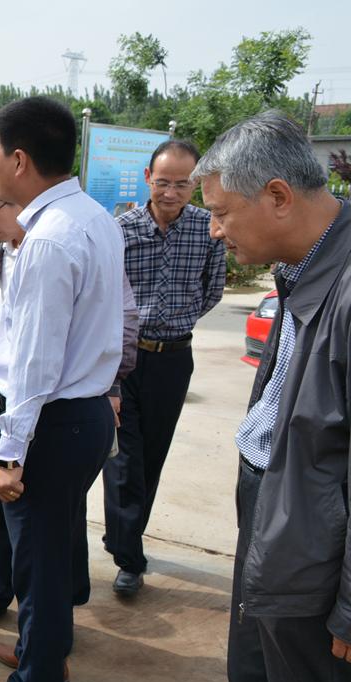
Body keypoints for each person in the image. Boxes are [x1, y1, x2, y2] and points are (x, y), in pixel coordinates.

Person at [143, 112, 351, 682]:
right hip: (272, 492)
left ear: (279, 196)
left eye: (223, 212)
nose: (214, 229)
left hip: (314, 523)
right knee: (259, 673)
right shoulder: (304, 264)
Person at [0, 97, 123, 682]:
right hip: (82, 414)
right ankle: (41, 653)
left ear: (19, 160)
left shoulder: (48, 241)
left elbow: (34, 361)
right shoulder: (93, 218)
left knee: (40, 559)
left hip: (53, 421)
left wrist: (9, 454)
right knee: (52, 549)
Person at [103, 140, 226, 598]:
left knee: (151, 457)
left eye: (181, 183)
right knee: (122, 457)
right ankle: (128, 556)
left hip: (175, 359)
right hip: (125, 359)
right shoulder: (122, 229)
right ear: (146, 178)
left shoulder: (206, 228)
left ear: (195, 184)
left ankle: (125, 540)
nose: (171, 192)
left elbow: (213, 288)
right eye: (162, 182)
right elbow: (106, 294)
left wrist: (181, 316)